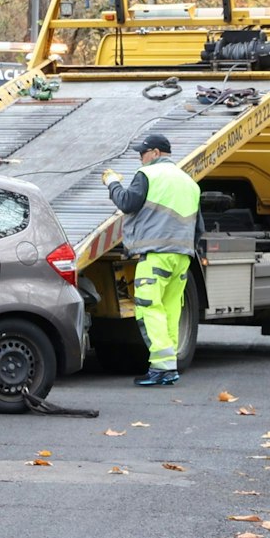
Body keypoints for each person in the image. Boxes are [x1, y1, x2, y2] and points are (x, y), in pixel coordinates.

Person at [104, 133, 204, 386]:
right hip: (182, 257)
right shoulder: (189, 183)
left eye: (143, 153)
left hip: (156, 255)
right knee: (170, 309)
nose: (141, 158)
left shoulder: (148, 175)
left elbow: (127, 203)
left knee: (149, 307)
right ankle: (168, 368)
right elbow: (199, 226)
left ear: (156, 153)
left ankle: (161, 368)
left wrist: (112, 183)